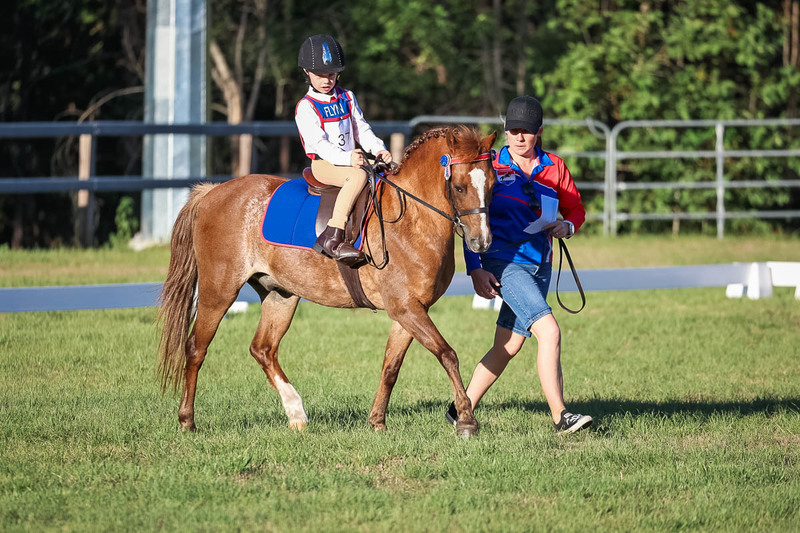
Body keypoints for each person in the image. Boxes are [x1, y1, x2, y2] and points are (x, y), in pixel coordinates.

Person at [446, 95, 592, 434]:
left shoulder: (554, 167)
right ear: (505, 131)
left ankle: (460, 408)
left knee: (508, 345)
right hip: (503, 261)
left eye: (526, 131)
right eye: (513, 130)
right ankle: (561, 417)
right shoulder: (489, 166)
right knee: (549, 331)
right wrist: (475, 267)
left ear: (539, 132)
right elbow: (468, 219)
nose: (519, 137)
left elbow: (576, 209)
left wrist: (567, 226)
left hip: (541, 262)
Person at [294, 34, 392, 264]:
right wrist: (348, 158)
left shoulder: (347, 97)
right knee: (357, 177)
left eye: (331, 75)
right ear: (307, 73)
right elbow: (320, 145)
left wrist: (378, 149)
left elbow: (361, 130)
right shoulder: (306, 107)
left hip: (351, 160)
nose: (327, 80)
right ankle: (333, 235)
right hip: (324, 165)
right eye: (320, 75)